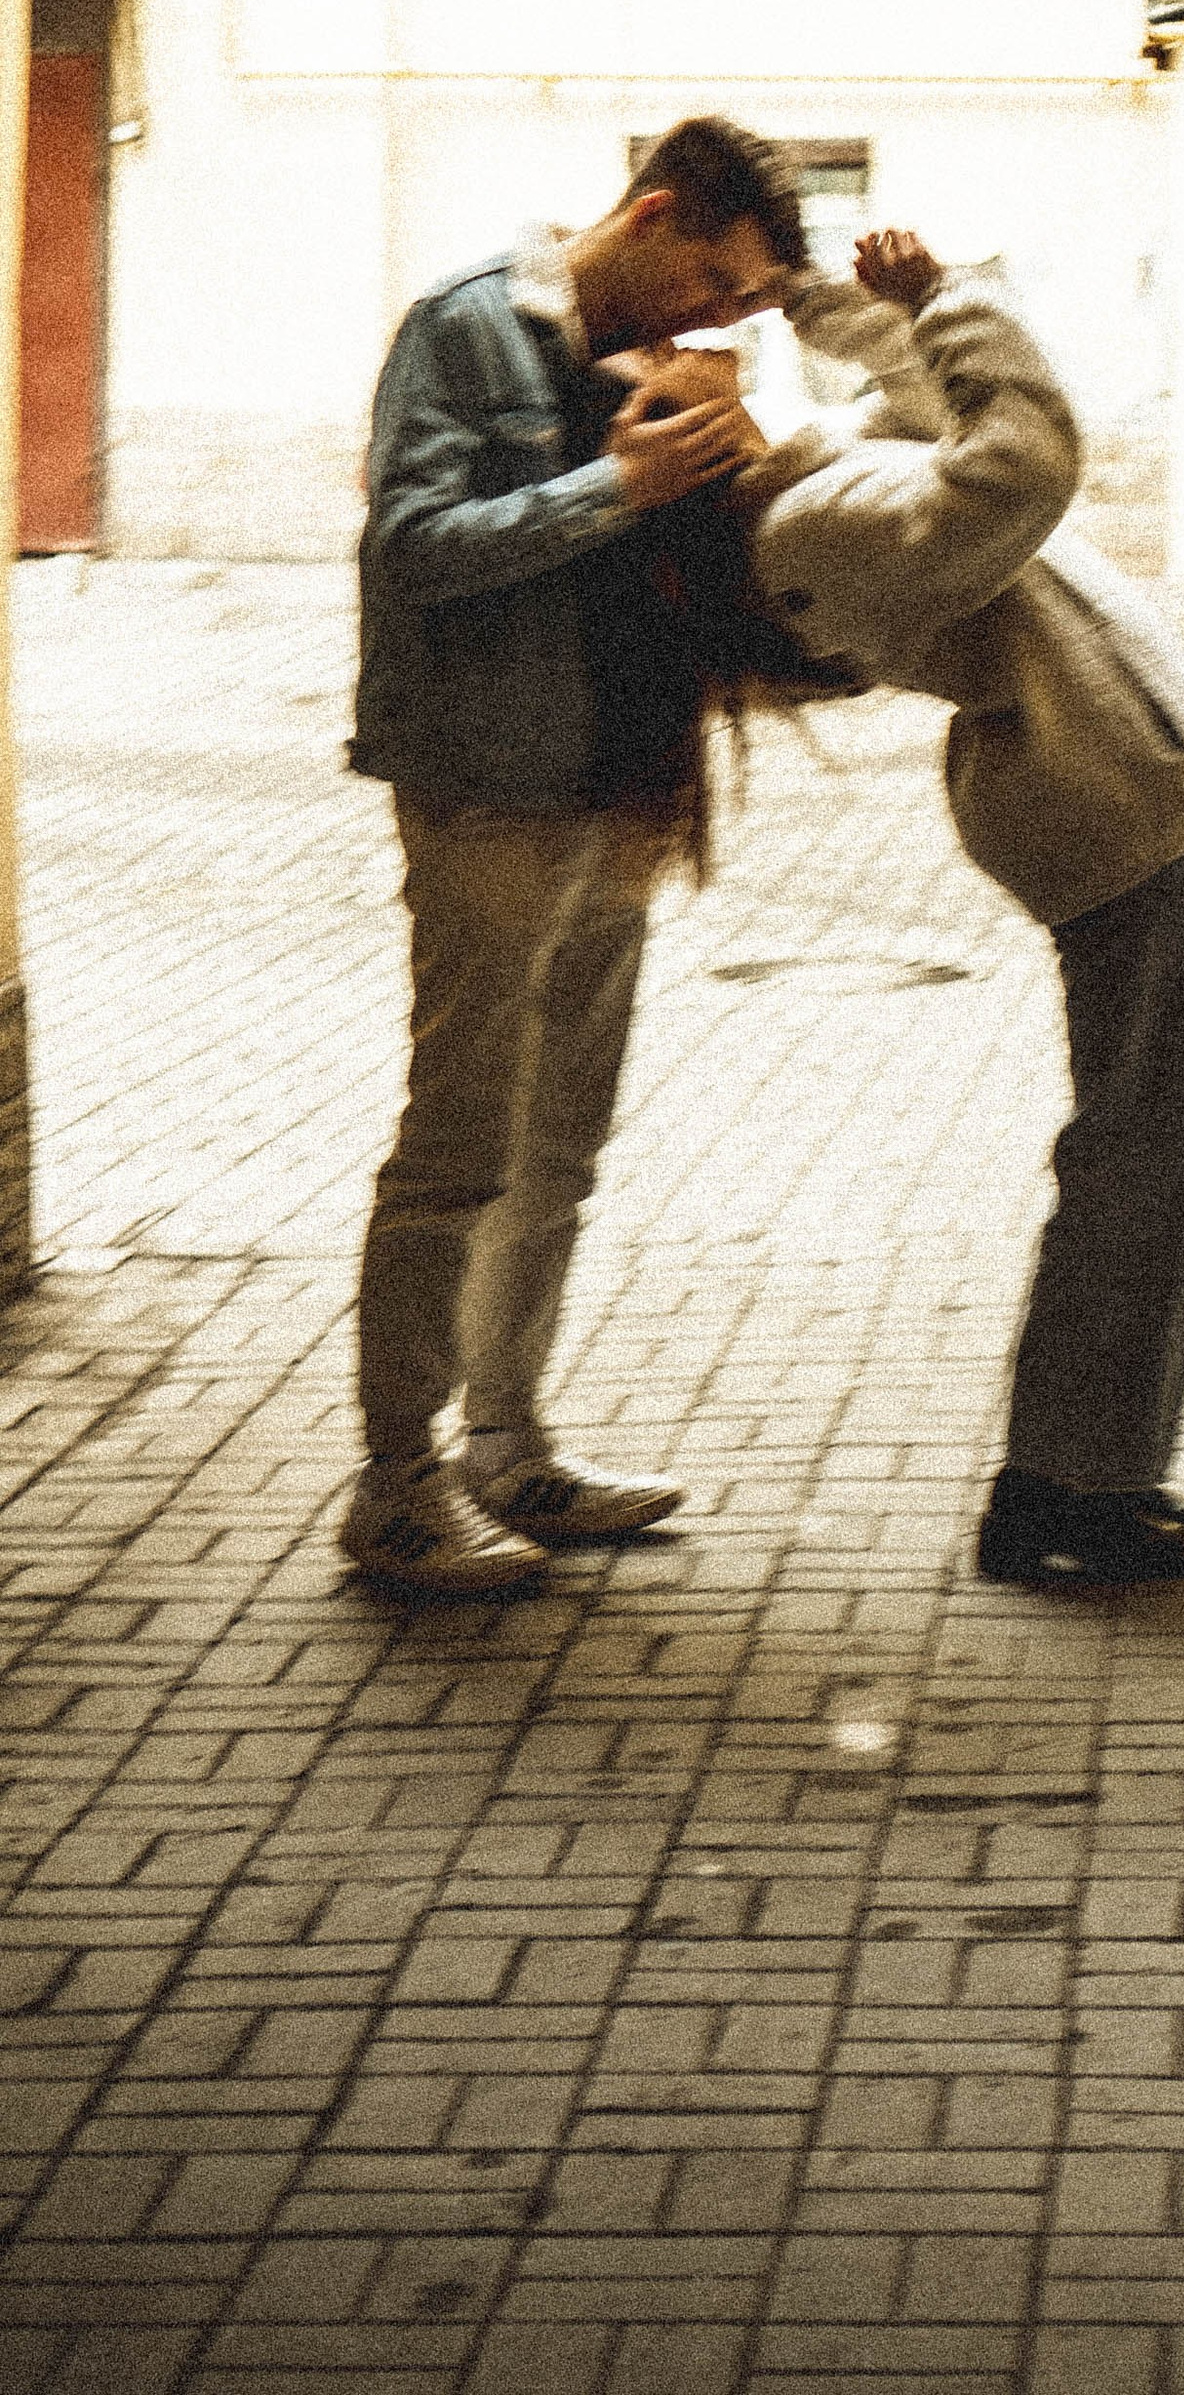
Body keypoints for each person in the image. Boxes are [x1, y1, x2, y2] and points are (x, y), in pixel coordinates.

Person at [648, 224, 1184, 1586]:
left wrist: (825, 301)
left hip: (1102, 789)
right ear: (676, 452)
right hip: (1095, 801)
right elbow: (1018, 463)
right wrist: (950, 300)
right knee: (1143, 1147)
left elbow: (923, 409)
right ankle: (1064, 1489)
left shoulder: (804, 478)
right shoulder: (809, 526)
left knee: (1154, 1140)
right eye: (660, 379)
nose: (694, 352)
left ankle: (1090, 1473)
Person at [340, 117, 806, 1596]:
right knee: (458, 1145)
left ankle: (507, 1445)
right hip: (488, 791)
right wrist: (618, 487)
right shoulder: (467, 326)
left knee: (560, 1145)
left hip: (621, 794)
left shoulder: (658, 360)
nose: (721, 316)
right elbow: (414, 546)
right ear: (653, 216)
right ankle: (395, 1489)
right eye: (716, 282)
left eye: (743, 303)